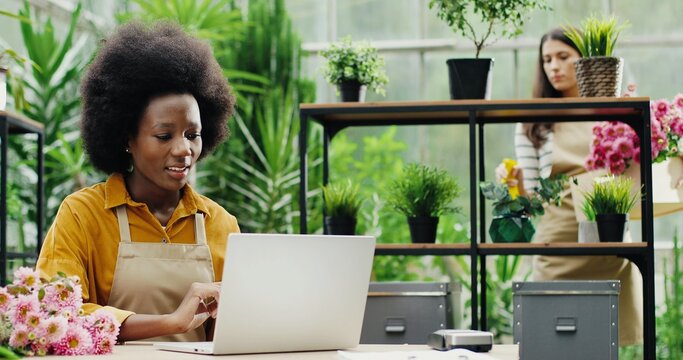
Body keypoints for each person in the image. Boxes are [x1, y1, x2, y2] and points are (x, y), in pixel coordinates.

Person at [36, 22, 239, 342]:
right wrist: (171, 322)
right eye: (164, 135)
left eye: (192, 135)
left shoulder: (220, 224)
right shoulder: (82, 215)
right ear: (127, 138)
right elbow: (54, 315)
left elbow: (233, 333)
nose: (183, 150)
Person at [497, 28, 643, 346]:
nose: (554, 67)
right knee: (553, 343)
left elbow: (645, 161)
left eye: (564, 57)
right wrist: (516, 186)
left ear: (585, 62)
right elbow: (531, 200)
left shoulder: (612, 113)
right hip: (557, 251)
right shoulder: (533, 122)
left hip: (609, 249)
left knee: (608, 345)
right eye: (547, 59)